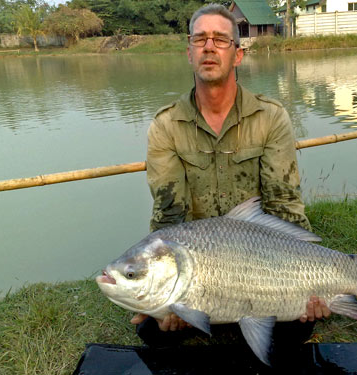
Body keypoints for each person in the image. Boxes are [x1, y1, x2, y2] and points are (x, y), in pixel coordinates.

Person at [133, 3, 330, 359]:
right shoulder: (165, 125)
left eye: (221, 40)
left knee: (300, 325)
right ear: (189, 53)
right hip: (200, 263)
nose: (209, 47)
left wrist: (308, 269)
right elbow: (167, 215)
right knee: (153, 329)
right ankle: (202, 311)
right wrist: (172, 294)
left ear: (237, 54)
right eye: (200, 39)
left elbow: (284, 205)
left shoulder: (271, 117)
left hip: (261, 255)